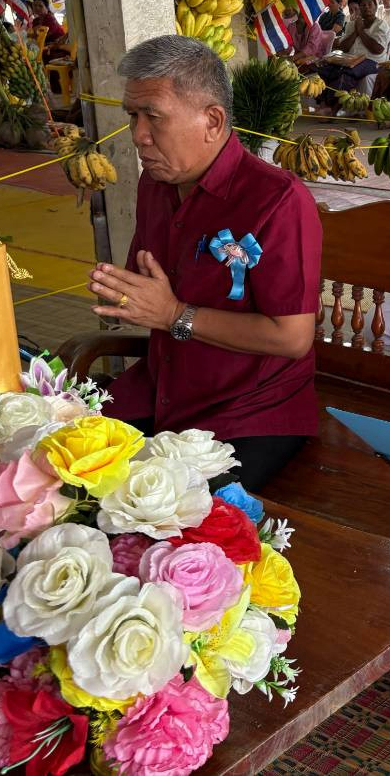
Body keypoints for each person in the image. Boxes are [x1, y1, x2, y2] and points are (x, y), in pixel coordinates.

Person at [91, 35, 321, 490]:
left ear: (213, 121)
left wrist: (175, 315)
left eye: (153, 117)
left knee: (160, 523)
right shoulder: (155, 185)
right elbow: (147, 281)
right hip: (161, 390)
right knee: (55, 473)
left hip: (247, 413)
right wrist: (124, 292)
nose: (138, 135)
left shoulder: (277, 200)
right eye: (133, 117)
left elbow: (293, 337)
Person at [318, 0, 390, 95]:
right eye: (363, 5)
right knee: (325, 70)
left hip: (372, 61)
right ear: (360, 8)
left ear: (376, 7)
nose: (367, 7)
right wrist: (356, 31)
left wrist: (361, 31)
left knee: (346, 73)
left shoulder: (381, 25)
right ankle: (321, 102)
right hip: (351, 58)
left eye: (370, 4)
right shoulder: (351, 25)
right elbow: (344, 48)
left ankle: (332, 108)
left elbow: (377, 49)